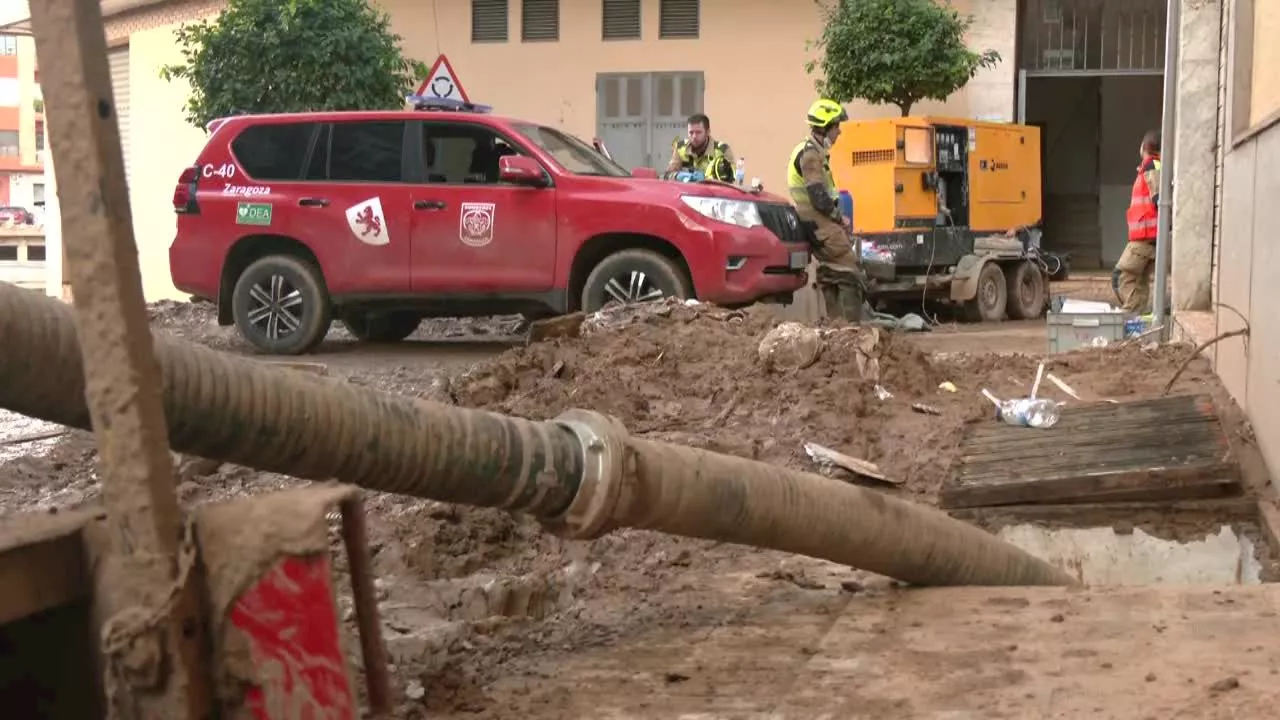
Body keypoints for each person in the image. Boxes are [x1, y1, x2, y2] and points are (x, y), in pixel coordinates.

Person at [786, 98, 865, 322]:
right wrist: (839, 218)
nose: (839, 131)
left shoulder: (812, 150)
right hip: (818, 219)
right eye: (836, 126)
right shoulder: (811, 154)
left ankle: (835, 325)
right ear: (826, 126)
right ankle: (851, 329)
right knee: (850, 268)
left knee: (831, 269)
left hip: (814, 219)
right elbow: (818, 195)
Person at [1114, 129, 1162, 312]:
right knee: (1139, 281)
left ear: (1145, 147)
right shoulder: (1151, 167)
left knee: (1121, 276)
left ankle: (1131, 314)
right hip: (1149, 236)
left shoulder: (1152, 166)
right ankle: (1137, 320)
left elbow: (1157, 196)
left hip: (1147, 236)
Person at [664, 113, 737, 183]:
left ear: (708, 132)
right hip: (687, 193)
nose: (694, 136)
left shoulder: (722, 150)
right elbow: (667, 175)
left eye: (698, 132)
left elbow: (731, 179)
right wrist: (677, 176)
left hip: (712, 194)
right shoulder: (681, 148)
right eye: (691, 132)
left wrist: (706, 179)